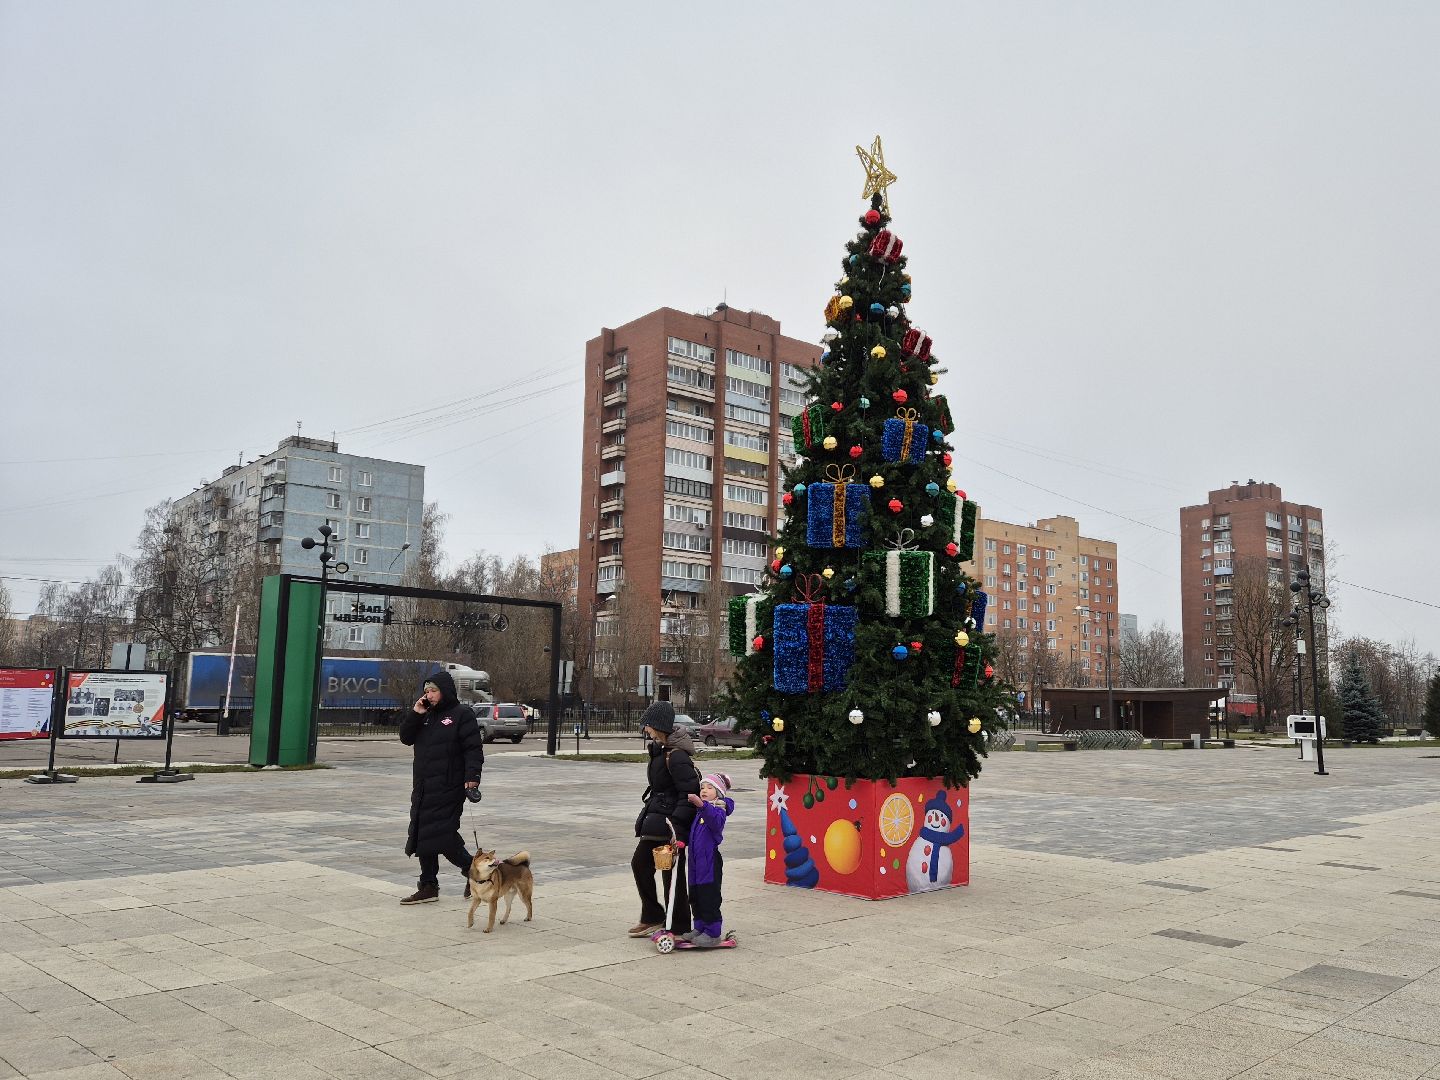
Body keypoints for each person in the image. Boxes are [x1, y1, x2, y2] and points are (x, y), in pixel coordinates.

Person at [397, 670, 484, 904]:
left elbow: (473, 749)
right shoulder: (425, 715)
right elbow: (405, 737)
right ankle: (428, 885)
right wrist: (416, 713)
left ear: (445, 691)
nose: (429, 695)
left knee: (442, 834)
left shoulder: (461, 715)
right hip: (424, 786)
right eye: (426, 691)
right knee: (423, 831)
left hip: (450, 785)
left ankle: (472, 871)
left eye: (433, 690)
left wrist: (472, 776)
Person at [629, 701, 700, 938]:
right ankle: (653, 915)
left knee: (671, 874)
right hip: (656, 819)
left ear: (657, 725)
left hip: (669, 825)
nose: (645, 729)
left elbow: (689, 792)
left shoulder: (677, 756)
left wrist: (677, 827)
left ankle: (678, 924)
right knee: (640, 864)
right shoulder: (660, 749)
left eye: (647, 725)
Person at [684, 772, 734, 947]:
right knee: (696, 894)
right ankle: (700, 926)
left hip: (710, 860)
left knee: (709, 895)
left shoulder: (719, 809)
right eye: (702, 787)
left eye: (710, 787)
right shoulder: (701, 811)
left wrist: (702, 806)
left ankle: (712, 932)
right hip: (696, 861)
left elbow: (716, 823)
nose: (704, 790)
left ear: (718, 792)